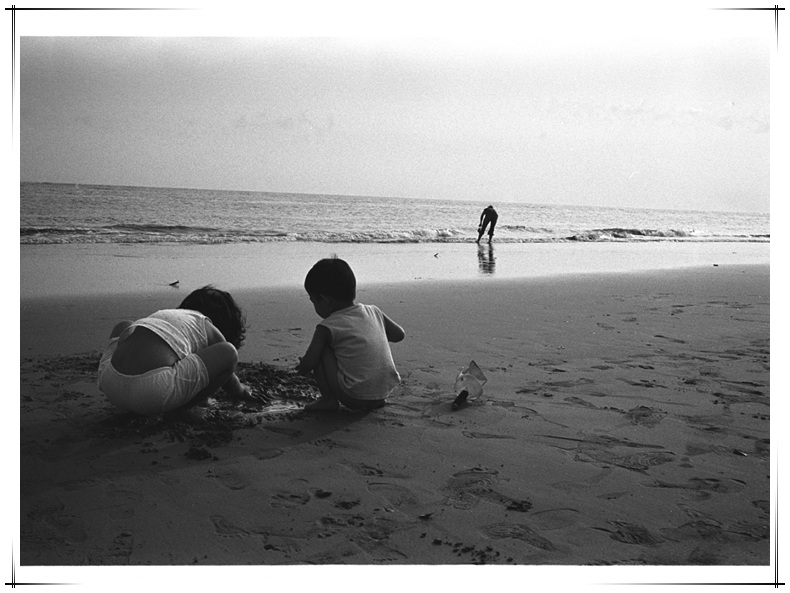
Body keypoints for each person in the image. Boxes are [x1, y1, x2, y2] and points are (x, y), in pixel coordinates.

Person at [97, 285, 260, 419]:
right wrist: (241, 389)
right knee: (229, 353)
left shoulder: (166, 315)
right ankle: (183, 409)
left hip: (111, 385)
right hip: (154, 392)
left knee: (125, 325)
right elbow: (228, 374)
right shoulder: (205, 324)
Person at [296, 257, 405, 412]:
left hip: (353, 396)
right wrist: (372, 334)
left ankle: (328, 400)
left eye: (314, 301)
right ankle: (375, 398)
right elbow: (399, 335)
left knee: (322, 349)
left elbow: (310, 361)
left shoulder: (327, 326)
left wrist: (302, 368)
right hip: (384, 390)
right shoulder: (373, 311)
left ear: (325, 300)